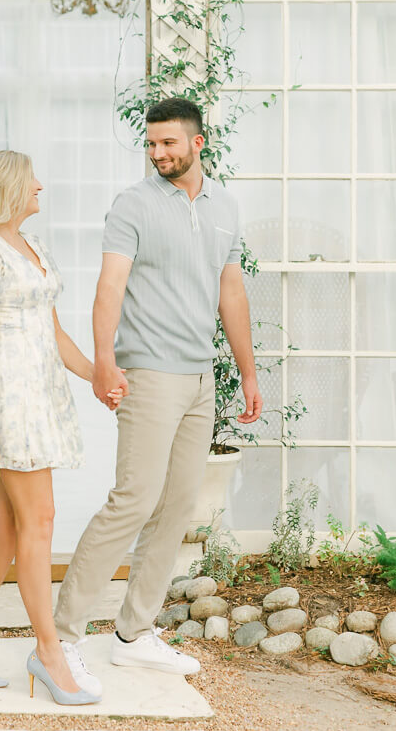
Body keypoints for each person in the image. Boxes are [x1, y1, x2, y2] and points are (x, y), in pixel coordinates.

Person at [53, 97, 262, 686]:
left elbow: (232, 293)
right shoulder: (134, 204)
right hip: (147, 373)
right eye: (151, 144)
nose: (158, 153)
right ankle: (62, 637)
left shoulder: (225, 206)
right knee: (133, 501)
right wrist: (102, 363)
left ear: (198, 143)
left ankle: (133, 633)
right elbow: (109, 287)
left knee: (176, 509)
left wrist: (246, 372)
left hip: (201, 377)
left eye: (168, 143)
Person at [0, 149, 121, 705]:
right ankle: (48, 652)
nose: (41, 186)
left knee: (11, 526)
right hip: (9, 398)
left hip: (45, 394)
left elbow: (55, 331)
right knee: (38, 520)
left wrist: (96, 375)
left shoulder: (33, 246)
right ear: (10, 187)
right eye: (32, 180)